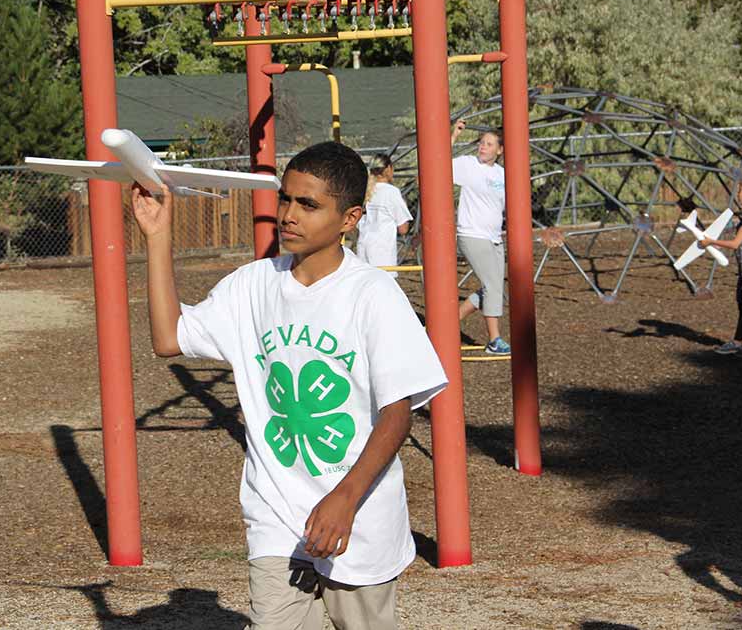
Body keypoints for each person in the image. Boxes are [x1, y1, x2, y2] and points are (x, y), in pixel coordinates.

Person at [132, 141, 447, 630]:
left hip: (359, 521)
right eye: (285, 199)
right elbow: (169, 337)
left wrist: (344, 499)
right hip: (276, 514)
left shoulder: (372, 294)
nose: (289, 215)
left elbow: (398, 412)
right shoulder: (251, 286)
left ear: (350, 219)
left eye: (309, 204)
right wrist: (157, 236)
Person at [450, 119, 511, 355]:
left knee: (494, 289)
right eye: (482, 143)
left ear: (500, 149)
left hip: (494, 237)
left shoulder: (502, 174)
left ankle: (447, 324)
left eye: (489, 144)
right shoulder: (468, 165)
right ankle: (495, 340)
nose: (483, 147)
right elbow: (437, 160)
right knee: (492, 286)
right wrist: (454, 134)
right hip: (472, 233)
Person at [701, 176, 742, 356]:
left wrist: (713, 242)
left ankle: (737, 342)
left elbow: (736, 244)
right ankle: (738, 342)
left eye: (740, 191)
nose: (737, 194)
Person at [356, 154, 413, 277]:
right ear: (388, 169)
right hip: (382, 252)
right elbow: (403, 228)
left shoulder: (365, 190)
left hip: (363, 247)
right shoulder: (391, 192)